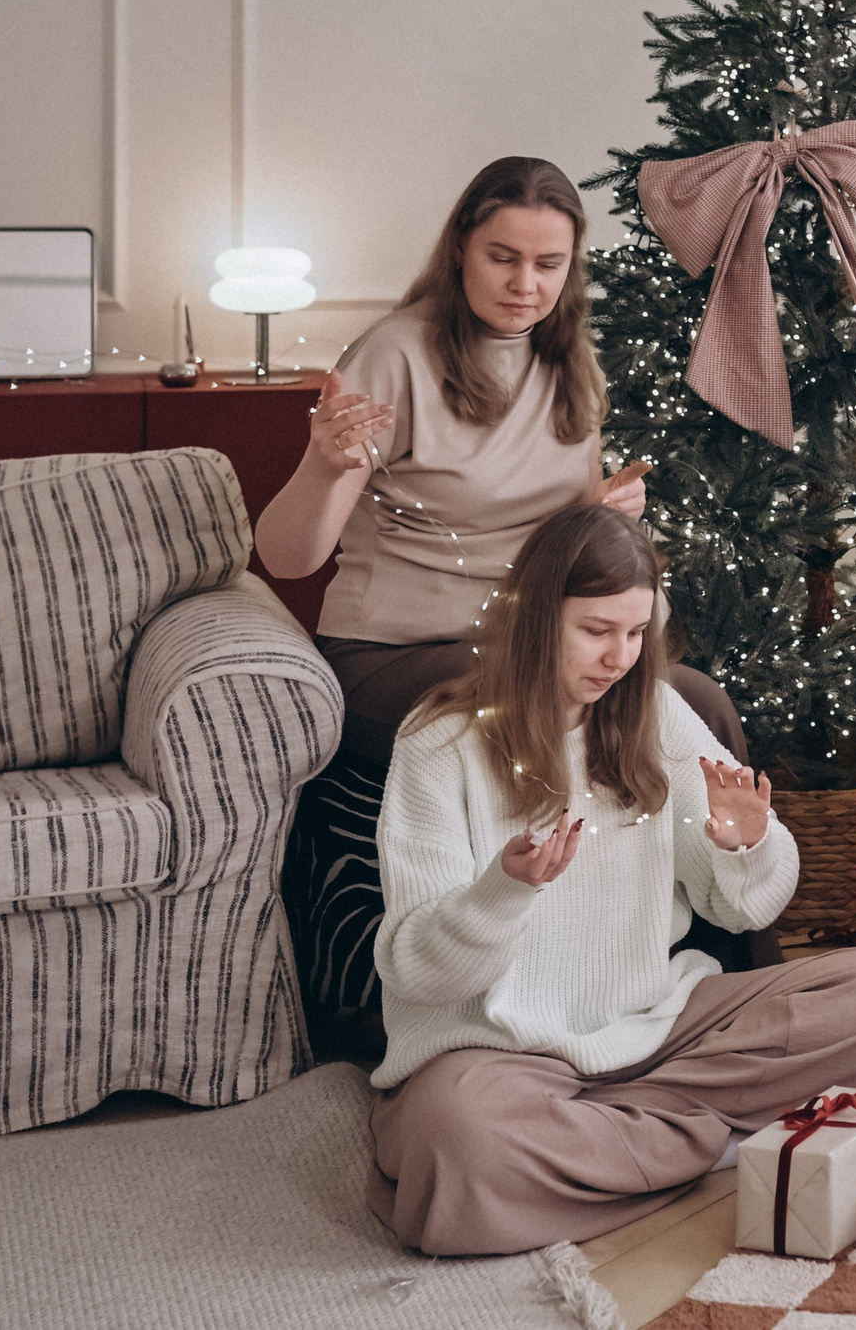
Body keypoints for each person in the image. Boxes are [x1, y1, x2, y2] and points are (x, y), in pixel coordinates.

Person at [364, 504, 856, 1255]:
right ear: (538, 618)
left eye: (636, 634)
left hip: (660, 1025)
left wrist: (743, 843)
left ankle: (620, 1149)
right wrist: (500, 894)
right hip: (503, 1052)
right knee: (456, 1137)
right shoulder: (439, 741)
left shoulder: (655, 714)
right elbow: (415, 969)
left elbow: (738, 908)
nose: (620, 657)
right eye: (597, 630)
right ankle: (726, 1143)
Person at [258, 157, 749, 1031]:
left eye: (549, 264)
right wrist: (325, 463)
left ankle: (718, 980)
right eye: (503, 257)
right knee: (549, 719)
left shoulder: (568, 363)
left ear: (572, 267)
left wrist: (602, 513)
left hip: (532, 637)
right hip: (394, 651)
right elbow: (291, 557)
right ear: (459, 251)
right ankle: (532, 995)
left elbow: (567, 541)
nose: (527, 284)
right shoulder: (394, 354)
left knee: (698, 703)